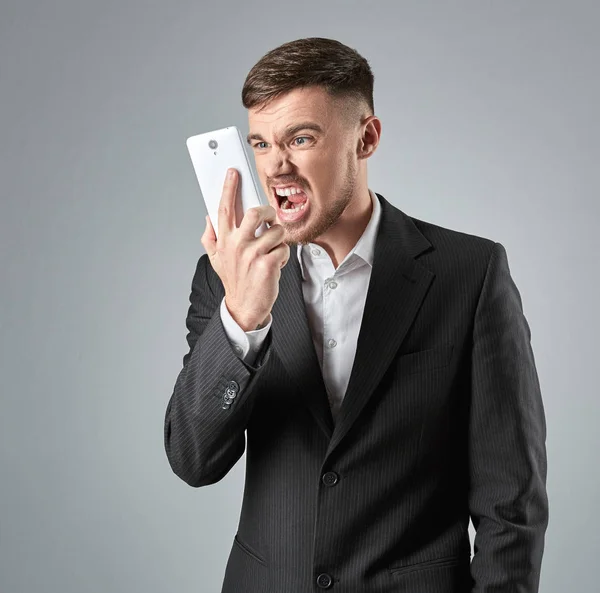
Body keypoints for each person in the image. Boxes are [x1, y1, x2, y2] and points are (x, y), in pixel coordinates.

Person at [163, 37, 548, 593]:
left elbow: (512, 501)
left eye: (300, 138)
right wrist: (243, 317)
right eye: (262, 144)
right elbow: (193, 460)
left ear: (365, 138)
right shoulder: (224, 275)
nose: (277, 166)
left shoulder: (471, 272)